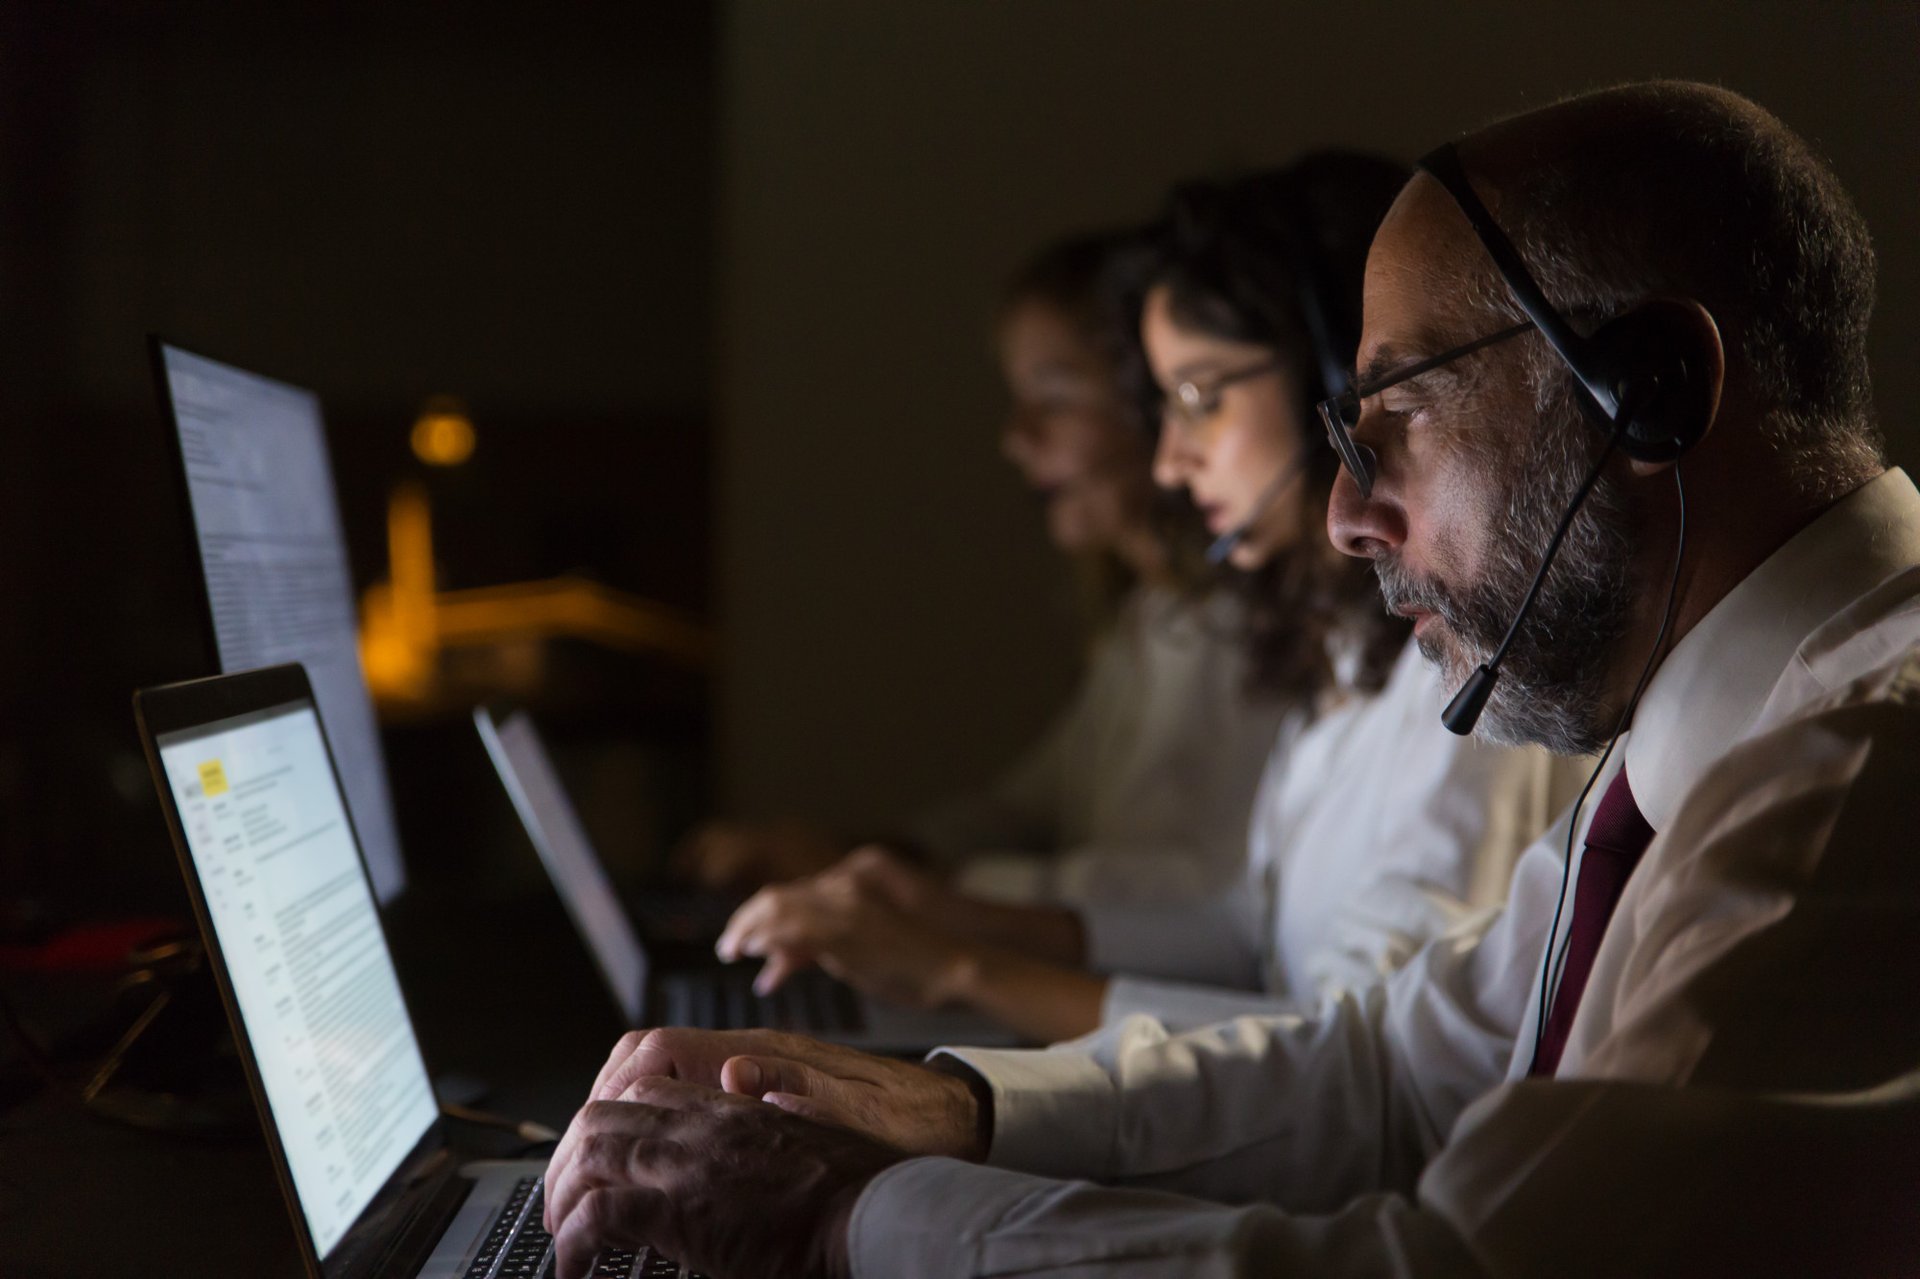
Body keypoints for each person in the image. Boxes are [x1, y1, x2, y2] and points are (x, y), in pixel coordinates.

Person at [542, 81, 1920, 1277]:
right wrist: (954, 1113)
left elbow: (1466, 1267)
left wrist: (851, 1218)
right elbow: (1396, 1070)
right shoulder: (1705, 729)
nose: (1346, 512)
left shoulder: (1850, 778)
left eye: (1401, 415)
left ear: (1649, 390)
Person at [714, 157, 1572, 1044]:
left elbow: (1355, 1062)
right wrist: (950, 911)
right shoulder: (1345, 657)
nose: (1169, 462)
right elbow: (1246, 923)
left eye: (1200, 399)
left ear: (1335, 380)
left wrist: (963, 969)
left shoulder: (1470, 686)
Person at [679, 230, 1292, 909]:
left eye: (1054, 398)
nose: (1017, 437)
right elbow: (1030, 808)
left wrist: (919, 889)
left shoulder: (1248, 628)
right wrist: (862, 857)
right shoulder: (1150, 616)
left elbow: (1209, 892)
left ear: (1148, 402)